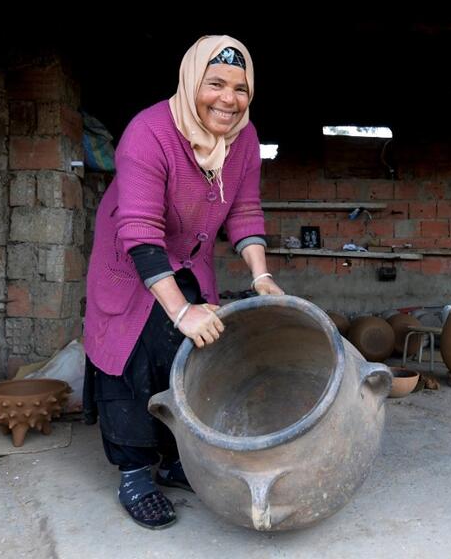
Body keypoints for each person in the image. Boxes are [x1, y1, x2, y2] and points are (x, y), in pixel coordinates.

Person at [82, 35, 284, 530]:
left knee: (189, 355)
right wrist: (179, 309)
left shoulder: (245, 138)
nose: (228, 99)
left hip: (189, 257)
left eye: (240, 88)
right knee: (131, 359)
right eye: (215, 84)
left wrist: (261, 276)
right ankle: (135, 474)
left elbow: (244, 208)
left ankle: (175, 461)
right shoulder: (149, 133)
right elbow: (140, 231)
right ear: (192, 82)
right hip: (130, 257)